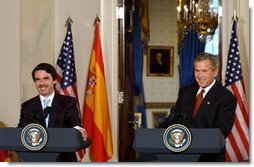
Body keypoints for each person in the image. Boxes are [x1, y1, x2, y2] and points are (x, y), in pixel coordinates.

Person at [158, 53, 237, 162]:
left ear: (215, 71)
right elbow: (172, 119)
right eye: (197, 71)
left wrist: (189, 137)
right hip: (181, 155)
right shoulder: (185, 91)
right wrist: (156, 134)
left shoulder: (226, 98)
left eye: (204, 71)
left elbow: (221, 132)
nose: (200, 76)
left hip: (209, 158)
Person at [18, 63, 87, 162]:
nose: (41, 83)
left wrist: (78, 129)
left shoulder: (68, 102)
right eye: (37, 79)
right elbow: (21, 131)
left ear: (54, 80)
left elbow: (74, 122)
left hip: (63, 159)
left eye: (46, 78)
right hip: (36, 159)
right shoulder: (27, 106)